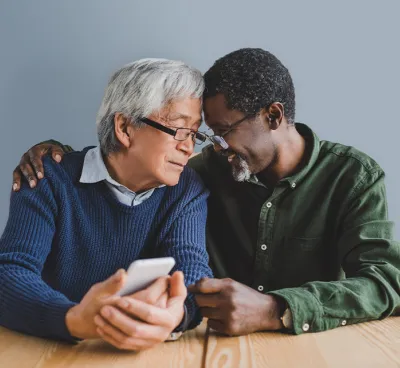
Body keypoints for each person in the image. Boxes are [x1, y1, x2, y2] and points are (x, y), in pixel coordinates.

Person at [12, 48, 400, 336]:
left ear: (274, 116)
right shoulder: (197, 173)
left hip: (315, 346)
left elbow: (387, 281)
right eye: (199, 133)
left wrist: (275, 309)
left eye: (221, 131)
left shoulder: (352, 176)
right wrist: (50, 156)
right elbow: (11, 272)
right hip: (187, 350)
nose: (204, 146)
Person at [0, 58, 213, 349]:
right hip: (48, 349)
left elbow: (193, 273)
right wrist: (74, 319)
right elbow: (9, 274)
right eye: (178, 129)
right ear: (125, 128)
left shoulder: (186, 189)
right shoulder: (47, 178)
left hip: (144, 353)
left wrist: (176, 315)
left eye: (194, 134)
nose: (188, 146)